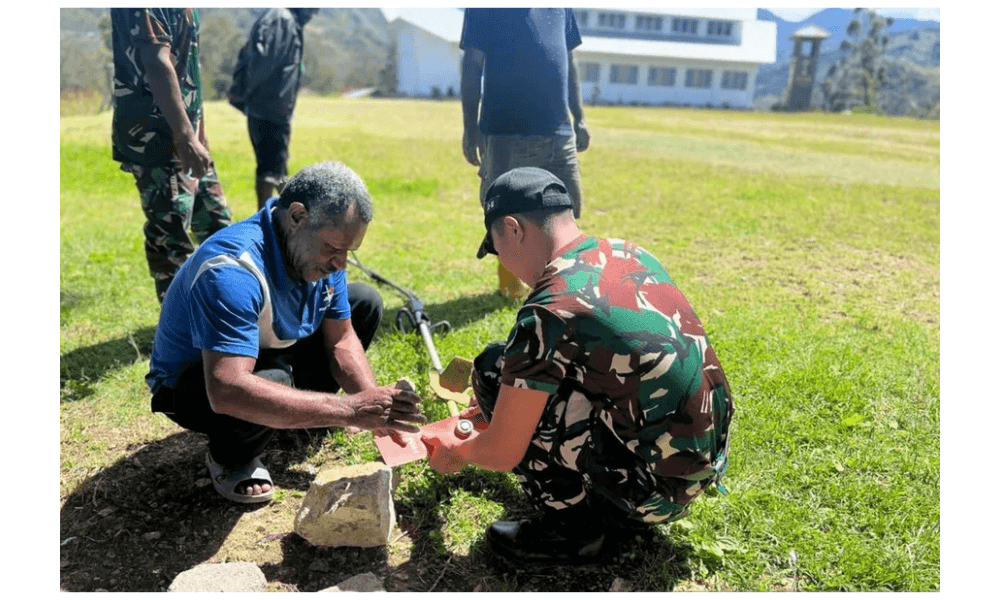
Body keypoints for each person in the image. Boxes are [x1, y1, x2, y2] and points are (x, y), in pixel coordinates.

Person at [424, 168, 734, 564]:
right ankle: (609, 503)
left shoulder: (548, 310)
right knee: (507, 373)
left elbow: (501, 453)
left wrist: (459, 451)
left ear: (513, 228)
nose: (504, 263)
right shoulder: (628, 253)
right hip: (697, 464)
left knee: (489, 370)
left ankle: (571, 530)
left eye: (498, 249)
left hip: (653, 492)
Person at [146, 162, 427, 504]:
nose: (340, 263)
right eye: (333, 249)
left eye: (347, 253)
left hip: (265, 352)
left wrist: (374, 407)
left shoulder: (319, 250)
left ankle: (296, 414)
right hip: (195, 386)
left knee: (363, 302)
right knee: (274, 378)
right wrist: (349, 410)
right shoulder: (233, 270)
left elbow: (341, 339)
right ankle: (231, 457)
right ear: (296, 216)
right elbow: (226, 388)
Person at [459, 8, 591, 299]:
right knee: (506, 215)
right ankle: (512, 289)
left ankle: (561, 285)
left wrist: (579, 116)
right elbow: (472, 65)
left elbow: (569, 62)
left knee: (567, 209)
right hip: (505, 130)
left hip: (558, 129)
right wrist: (470, 126)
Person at [110, 8, 234, 303]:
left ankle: (225, 310)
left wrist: (196, 134)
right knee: (172, 239)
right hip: (158, 139)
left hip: (189, 139)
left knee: (217, 228)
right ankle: (179, 333)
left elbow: (184, 67)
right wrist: (185, 135)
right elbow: (156, 61)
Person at [229, 8, 319, 208]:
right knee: (271, 171)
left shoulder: (287, 19)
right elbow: (263, 62)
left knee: (277, 166)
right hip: (268, 107)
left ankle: (288, 216)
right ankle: (269, 221)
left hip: (274, 107)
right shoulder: (281, 19)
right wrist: (245, 92)